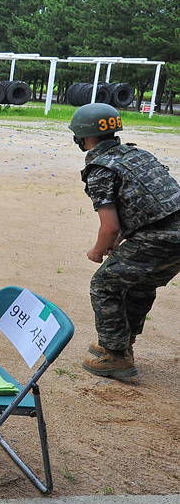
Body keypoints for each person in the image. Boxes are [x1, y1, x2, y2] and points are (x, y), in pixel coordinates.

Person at [69, 102, 180, 379]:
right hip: (171, 235)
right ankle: (121, 343)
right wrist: (121, 239)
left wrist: (98, 250)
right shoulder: (136, 154)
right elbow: (147, 204)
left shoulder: (100, 168)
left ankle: (115, 355)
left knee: (104, 284)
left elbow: (109, 226)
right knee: (141, 283)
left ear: (83, 137)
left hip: (156, 237)